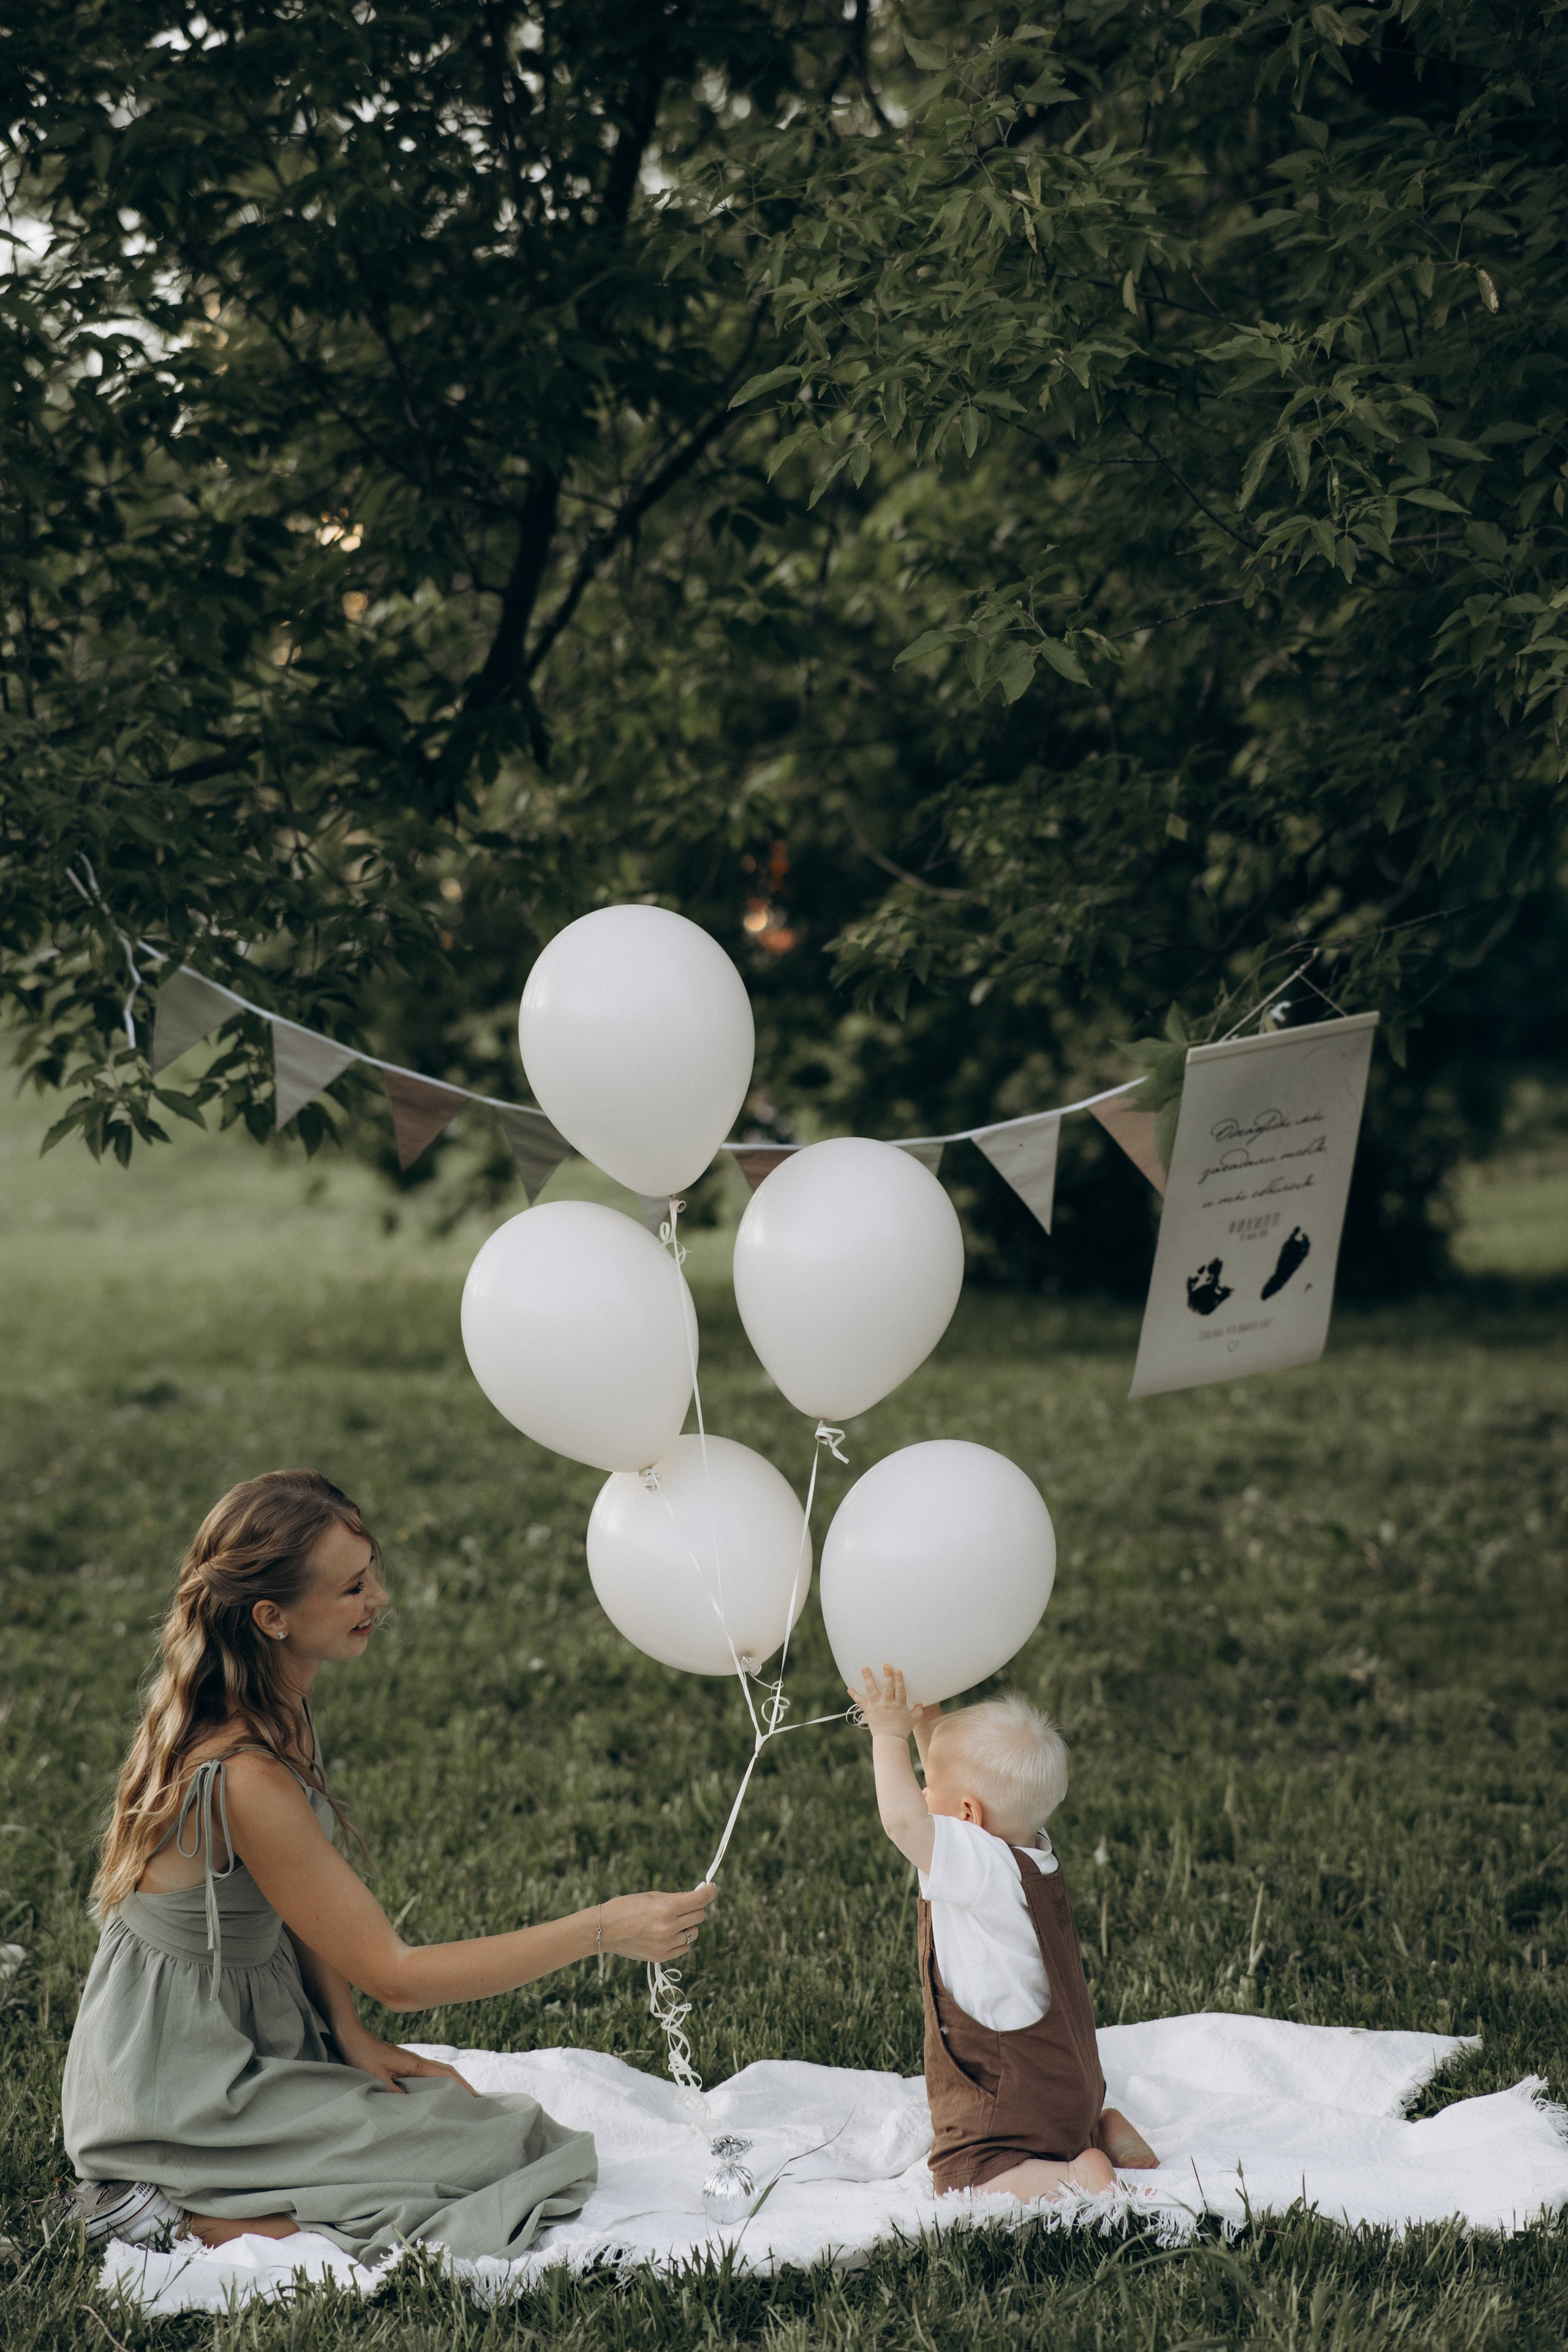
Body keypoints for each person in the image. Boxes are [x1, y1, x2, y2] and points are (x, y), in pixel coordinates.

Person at [58, 1469, 716, 2263]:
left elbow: (302, 1910)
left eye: (372, 1575)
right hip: (181, 2085)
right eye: (352, 1589)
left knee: (490, 2135)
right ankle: (158, 2209)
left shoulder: (273, 1705)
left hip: (241, 2031)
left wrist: (347, 2034)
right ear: (273, 1617)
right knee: (503, 2154)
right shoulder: (243, 1773)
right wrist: (602, 1927)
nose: (379, 1601)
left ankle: (214, 2186)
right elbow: (397, 1973)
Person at [851, 1665, 1157, 2203]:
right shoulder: (1026, 1849)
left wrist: (886, 1735)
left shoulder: (977, 1866)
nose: (922, 1792)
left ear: (967, 1814)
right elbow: (951, 1771)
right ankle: (1099, 2128)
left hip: (1016, 2101)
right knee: (1066, 2118)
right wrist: (925, 1714)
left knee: (962, 2176)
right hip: (1071, 2084)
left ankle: (1076, 2174)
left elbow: (902, 1824)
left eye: (930, 1789)